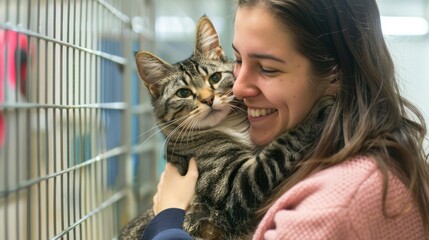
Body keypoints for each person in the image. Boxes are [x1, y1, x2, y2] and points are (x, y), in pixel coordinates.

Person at [141, 0, 429, 239]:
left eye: (267, 68)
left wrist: (167, 218)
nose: (238, 88)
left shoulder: (331, 210)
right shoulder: (372, 154)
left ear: (335, 74)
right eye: (238, 59)